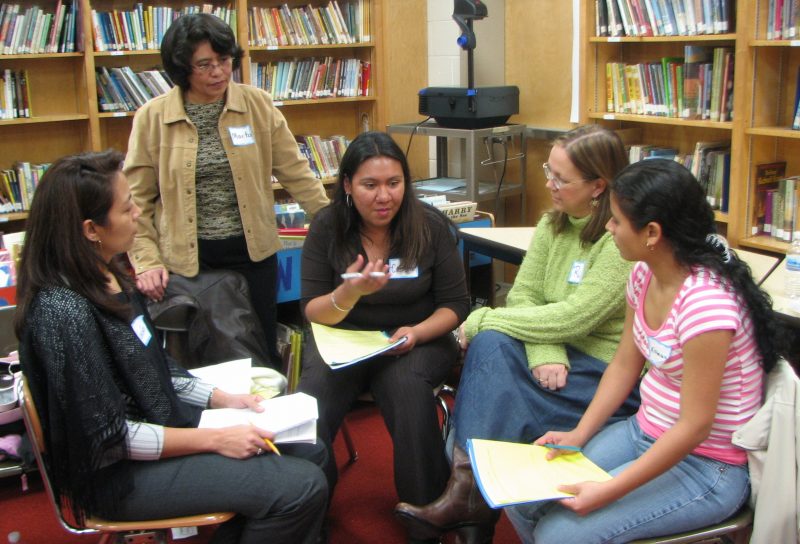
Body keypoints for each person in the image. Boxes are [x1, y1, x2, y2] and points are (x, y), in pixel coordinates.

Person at [16, 150, 328, 544]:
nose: (137, 215)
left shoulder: (108, 275)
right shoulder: (64, 312)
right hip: (118, 475)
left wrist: (220, 399)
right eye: (128, 208)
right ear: (91, 229)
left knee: (310, 450)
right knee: (300, 488)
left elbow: (155, 368)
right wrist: (215, 438)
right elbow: (108, 439)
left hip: (158, 429)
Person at [505, 158, 796, 543]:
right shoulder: (644, 273)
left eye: (616, 222)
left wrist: (610, 488)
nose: (608, 229)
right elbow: (625, 364)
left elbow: (695, 428)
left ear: (652, 232)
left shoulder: (706, 307)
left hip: (708, 465)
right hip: (645, 430)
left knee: (560, 535)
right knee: (522, 496)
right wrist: (580, 432)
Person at [395, 125, 641, 544]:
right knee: (492, 352)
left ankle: (468, 499)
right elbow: (524, 294)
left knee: (488, 358)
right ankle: (470, 500)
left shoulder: (621, 240)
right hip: (553, 359)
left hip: (601, 373)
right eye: (549, 171)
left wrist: (478, 320)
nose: (549, 184)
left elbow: (575, 318)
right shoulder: (553, 224)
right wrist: (543, 346)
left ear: (599, 186)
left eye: (561, 178)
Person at [124, 13, 329, 369]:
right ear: (182, 67)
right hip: (188, 264)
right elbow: (136, 199)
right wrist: (146, 261)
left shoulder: (258, 105)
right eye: (204, 64)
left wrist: (332, 226)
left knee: (257, 357)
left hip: (253, 257)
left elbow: (297, 173)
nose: (218, 72)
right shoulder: (152, 118)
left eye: (224, 60)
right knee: (199, 361)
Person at [296, 131, 471, 542]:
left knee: (405, 388)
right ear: (347, 186)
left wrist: (417, 331)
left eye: (393, 183)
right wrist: (350, 292)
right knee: (311, 404)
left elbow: (456, 304)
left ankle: (427, 513)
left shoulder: (427, 225)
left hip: (418, 339)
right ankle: (308, 514)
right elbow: (312, 308)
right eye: (369, 185)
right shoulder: (327, 226)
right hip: (344, 340)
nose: (383, 196)